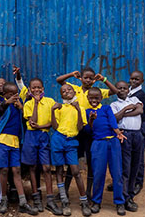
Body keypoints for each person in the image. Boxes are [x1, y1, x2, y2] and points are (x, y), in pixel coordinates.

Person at [56, 68, 118, 196]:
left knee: (91, 162)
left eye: (91, 78)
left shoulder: (96, 92)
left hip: (91, 130)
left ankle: (89, 192)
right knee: (72, 161)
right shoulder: (74, 89)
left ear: (94, 80)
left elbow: (114, 91)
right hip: (76, 130)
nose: (88, 80)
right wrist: (71, 74)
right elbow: (59, 80)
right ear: (81, 78)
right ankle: (65, 190)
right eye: (86, 77)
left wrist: (104, 80)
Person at [0, 82, 38, 215]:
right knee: (4, 170)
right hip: (2, 140)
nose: (15, 96)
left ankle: (23, 202)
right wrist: (7, 102)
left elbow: (27, 118)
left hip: (15, 142)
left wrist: (22, 107)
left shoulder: (18, 106)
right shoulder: (2, 103)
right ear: (5, 95)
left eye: (16, 94)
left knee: (16, 170)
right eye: (11, 94)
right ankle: (3, 199)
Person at [22, 78, 62, 215]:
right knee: (32, 167)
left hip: (44, 136)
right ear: (29, 89)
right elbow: (32, 121)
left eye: (39, 87)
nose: (36, 90)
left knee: (46, 167)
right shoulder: (27, 104)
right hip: (31, 136)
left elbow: (52, 123)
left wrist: (41, 126)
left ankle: (50, 200)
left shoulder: (50, 101)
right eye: (34, 88)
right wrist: (35, 103)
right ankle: (36, 197)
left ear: (43, 88)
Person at [51, 84, 91, 216]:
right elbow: (55, 127)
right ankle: (64, 201)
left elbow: (80, 128)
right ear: (61, 95)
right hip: (58, 139)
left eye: (69, 89)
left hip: (71, 141)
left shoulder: (81, 108)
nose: (66, 91)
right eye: (63, 91)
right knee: (59, 170)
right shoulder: (60, 107)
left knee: (75, 171)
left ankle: (84, 201)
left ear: (74, 91)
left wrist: (79, 110)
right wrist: (52, 110)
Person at [86, 88, 126, 216]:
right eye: (91, 98)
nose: (94, 100)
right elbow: (88, 130)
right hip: (98, 144)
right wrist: (91, 119)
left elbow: (112, 120)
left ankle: (119, 202)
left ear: (101, 98)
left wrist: (118, 132)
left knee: (117, 173)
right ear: (87, 98)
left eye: (96, 98)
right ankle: (96, 201)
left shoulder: (106, 108)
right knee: (98, 173)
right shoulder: (87, 112)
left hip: (113, 142)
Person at [110, 81, 143, 213]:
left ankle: (130, 196)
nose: (122, 90)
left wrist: (124, 114)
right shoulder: (114, 105)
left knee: (135, 166)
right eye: (119, 88)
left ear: (128, 90)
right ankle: (122, 199)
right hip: (125, 135)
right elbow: (115, 118)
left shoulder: (135, 99)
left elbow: (140, 110)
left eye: (124, 88)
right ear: (116, 90)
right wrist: (126, 109)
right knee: (125, 168)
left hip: (137, 135)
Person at [128, 70, 145, 195]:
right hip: (130, 127)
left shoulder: (141, 95)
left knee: (138, 156)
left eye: (137, 79)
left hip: (139, 127)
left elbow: (139, 111)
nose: (134, 81)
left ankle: (138, 182)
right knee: (127, 156)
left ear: (142, 81)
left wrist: (121, 113)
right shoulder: (129, 90)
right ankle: (127, 181)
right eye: (132, 79)